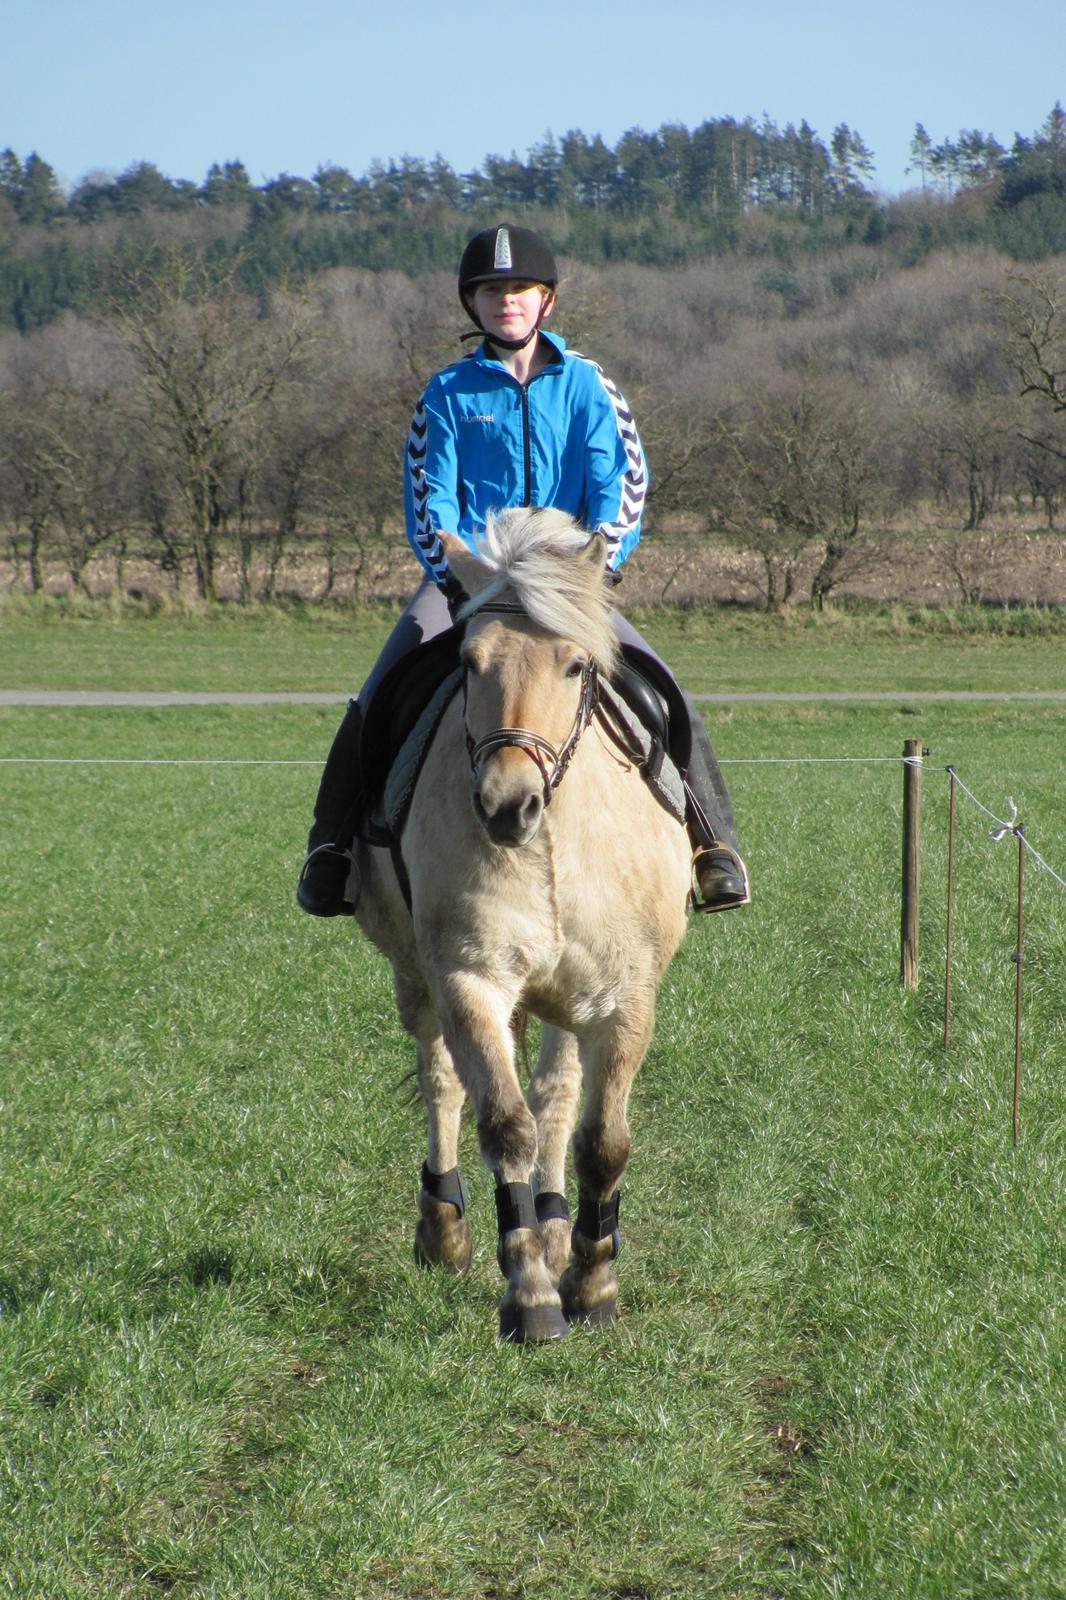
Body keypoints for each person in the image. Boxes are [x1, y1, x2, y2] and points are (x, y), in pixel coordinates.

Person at [297, 223, 749, 918]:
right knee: (382, 689)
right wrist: (455, 569)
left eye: (519, 289)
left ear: (547, 301)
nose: (506, 301)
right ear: (472, 305)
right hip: (471, 583)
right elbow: (429, 497)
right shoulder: (446, 392)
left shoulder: (591, 385)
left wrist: (598, 561)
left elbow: (622, 484)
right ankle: (332, 849)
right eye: (491, 291)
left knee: (660, 688)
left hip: (567, 581)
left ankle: (712, 845)